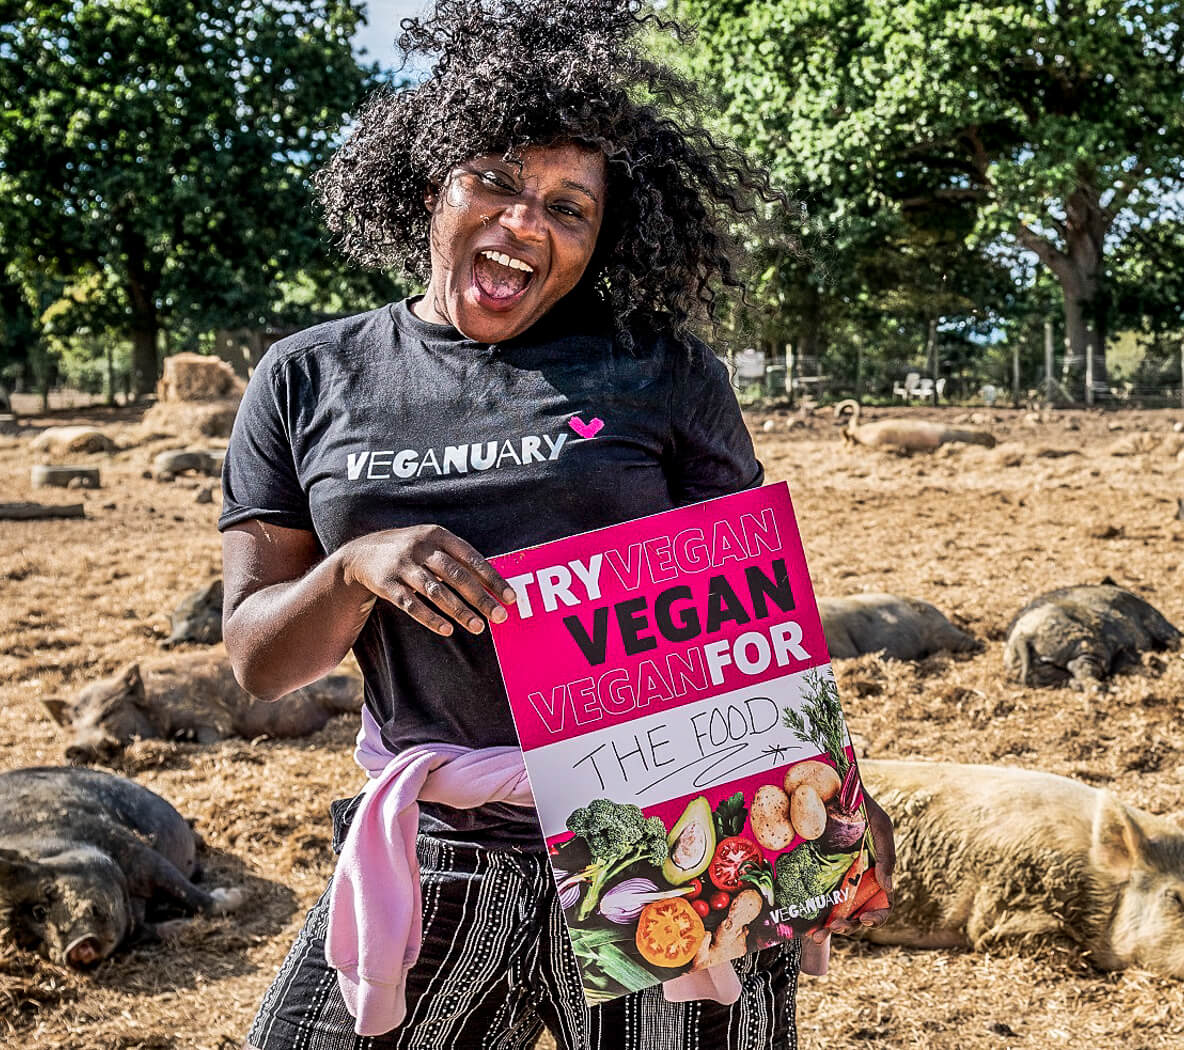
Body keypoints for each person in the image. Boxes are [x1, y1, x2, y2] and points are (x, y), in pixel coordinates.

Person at [219, 3, 890, 1047]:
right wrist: (352, 568)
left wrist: (836, 785)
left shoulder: (657, 369)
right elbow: (259, 663)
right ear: (429, 185)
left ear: (600, 242)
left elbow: (748, 608)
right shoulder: (309, 377)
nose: (527, 222)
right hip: (437, 848)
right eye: (495, 180)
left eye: (570, 209)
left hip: (670, 837)